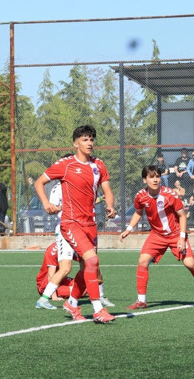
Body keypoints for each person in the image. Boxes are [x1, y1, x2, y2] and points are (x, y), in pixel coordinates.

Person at [33, 125, 117, 323]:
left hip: (90, 224)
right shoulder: (65, 164)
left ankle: (71, 303)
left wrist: (111, 206)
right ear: (75, 143)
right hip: (71, 223)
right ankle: (98, 309)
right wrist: (46, 203)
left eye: (91, 139)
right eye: (85, 139)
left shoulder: (99, 165)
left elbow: (108, 191)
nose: (89, 143)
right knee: (92, 262)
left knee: (87, 268)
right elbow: (39, 182)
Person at [120, 165, 194, 309]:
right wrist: (128, 229)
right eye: (151, 177)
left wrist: (182, 238)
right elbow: (138, 212)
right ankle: (141, 300)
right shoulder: (141, 196)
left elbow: (182, 216)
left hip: (176, 234)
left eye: (157, 176)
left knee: (189, 264)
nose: (155, 179)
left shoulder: (170, 194)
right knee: (143, 261)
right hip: (157, 235)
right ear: (145, 180)